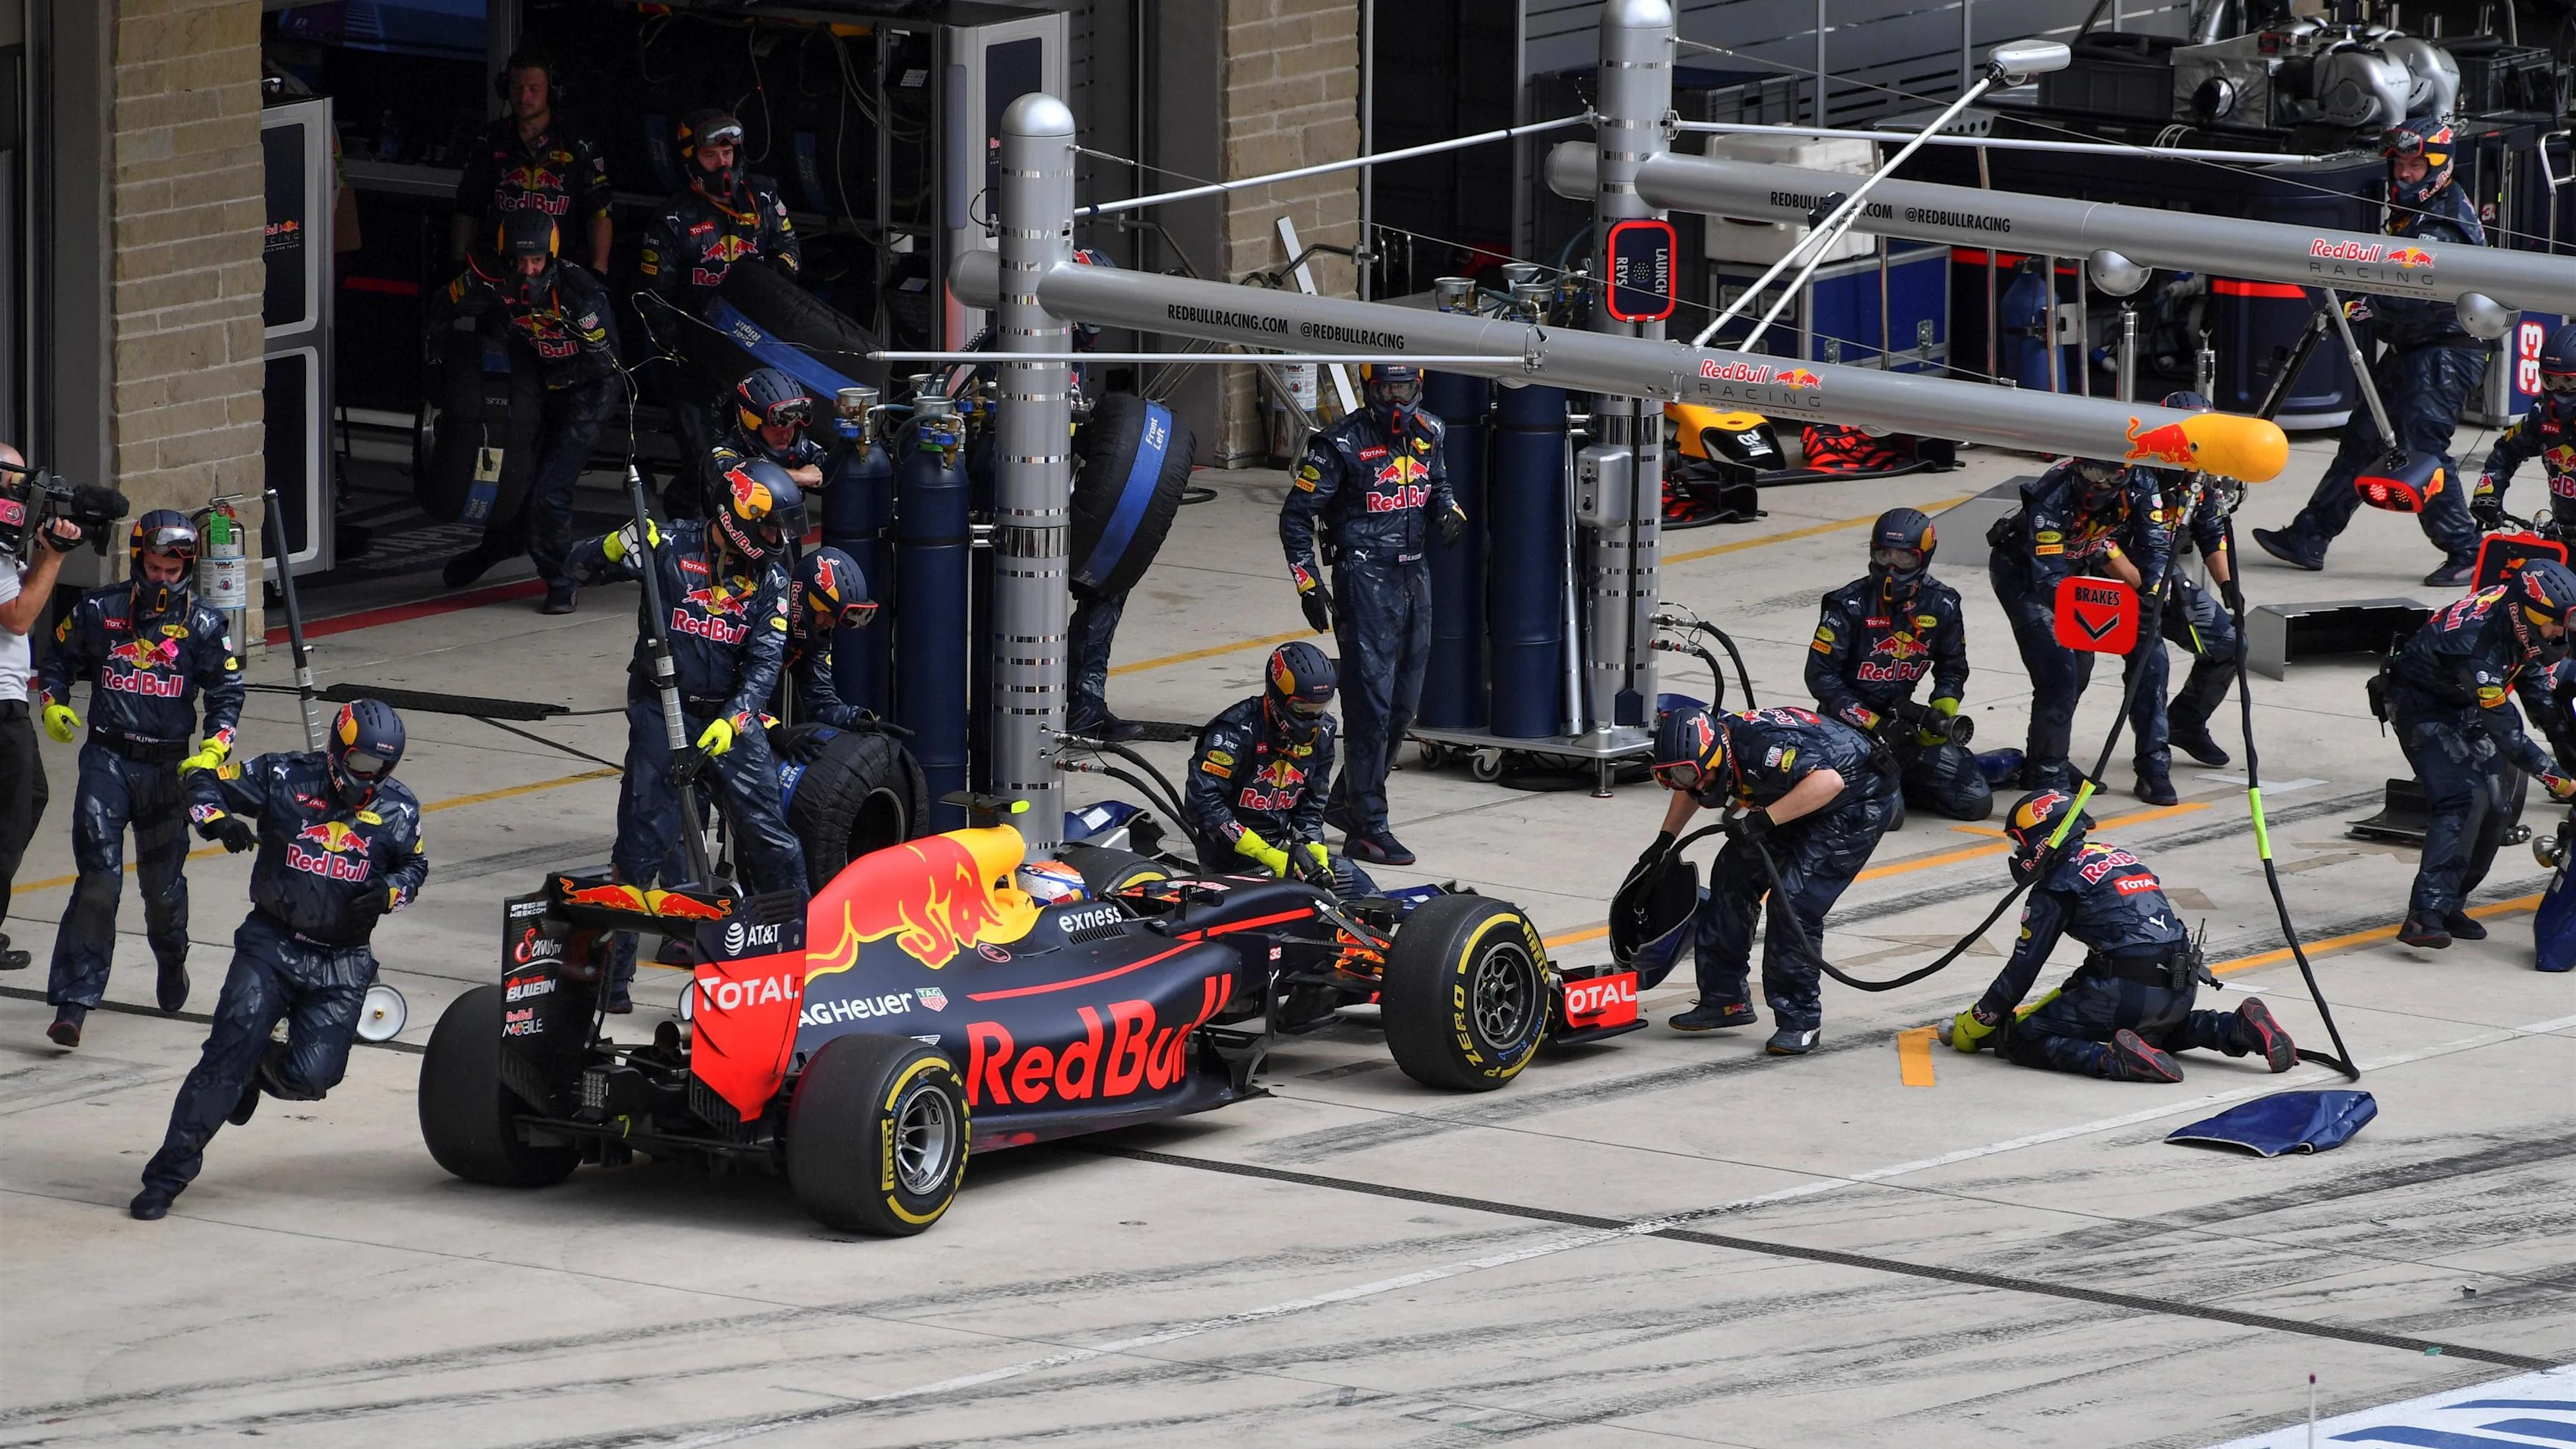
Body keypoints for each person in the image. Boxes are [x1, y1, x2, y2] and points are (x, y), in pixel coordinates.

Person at [132, 699, 427, 1219]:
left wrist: (389, 893)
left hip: (343, 963)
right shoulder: (284, 775)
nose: (369, 778)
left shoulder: (400, 810)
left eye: (381, 769)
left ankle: (254, 1072)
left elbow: (415, 866)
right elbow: (202, 782)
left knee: (315, 1077)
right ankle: (167, 1175)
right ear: (338, 752)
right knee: (227, 1049)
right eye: (360, 765)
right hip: (273, 944)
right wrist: (217, 822)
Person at [569, 458, 807, 1010]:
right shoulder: (666, 547)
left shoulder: (772, 577)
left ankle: (800, 964)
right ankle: (612, 982)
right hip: (660, 713)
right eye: (768, 528)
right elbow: (574, 567)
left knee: (774, 842)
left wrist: (737, 716)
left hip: (727, 721)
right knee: (639, 849)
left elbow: (766, 663)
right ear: (737, 516)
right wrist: (613, 547)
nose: (775, 540)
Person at [38, 511, 244, 1048]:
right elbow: (56, 658)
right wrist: (53, 703)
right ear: (137, 560)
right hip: (106, 760)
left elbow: (227, 693)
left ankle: (172, 957)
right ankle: (74, 1002)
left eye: (173, 571)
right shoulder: (97, 609)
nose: (162, 580)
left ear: (188, 568)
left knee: (163, 892)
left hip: (168, 769)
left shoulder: (205, 626)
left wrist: (217, 746)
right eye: (153, 568)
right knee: (99, 882)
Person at [2253, 120, 2489, 587]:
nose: (2404, 173)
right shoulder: (2411, 210)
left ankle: (2467, 549)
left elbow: (2416, 293)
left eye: (2415, 164)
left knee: (2423, 452)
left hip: (2446, 352)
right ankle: (2310, 535)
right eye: (2399, 164)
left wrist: (2360, 306)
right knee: (2362, 439)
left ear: (2438, 167)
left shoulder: (2442, 224)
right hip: (2413, 346)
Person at [1946, 787, 2298, 1082]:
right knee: (2152, 1031)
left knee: (2025, 1037)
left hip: (2127, 991)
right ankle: (2236, 1028)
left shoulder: (2056, 885)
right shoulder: (2120, 856)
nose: (2018, 855)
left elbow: (2023, 969)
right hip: (2181, 984)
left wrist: (1977, 1024)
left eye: (2019, 845)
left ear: (2042, 840)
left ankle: (2114, 1061)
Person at [1281, 363, 1467, 867]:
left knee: (1404, 705)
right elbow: (1296, 516)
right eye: (1387, 388)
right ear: (1371, 390)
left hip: (1415, 575)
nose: (1396, 398)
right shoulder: (1338, 444)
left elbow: (1439, 483)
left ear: (1418, 388)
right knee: (1371, 708)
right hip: (1363, 579)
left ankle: (1346, 799)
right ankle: (1369, 823)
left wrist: (1449, 511)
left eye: (1404, 388)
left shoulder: (1433, 431)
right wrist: (1308, 583)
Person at [1639, 703, 1894, 1055]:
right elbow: (1693, 787)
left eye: (1689, 774)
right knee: (1732, 870)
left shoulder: (1766, 750)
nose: (1688, 784)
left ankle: (1800, 1020)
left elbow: (1828, 781)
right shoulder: (1712, 750)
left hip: (1853, 801)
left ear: (1717, 755)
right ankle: (1725, 999)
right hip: (1796, 795)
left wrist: (1762, 821)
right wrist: (1665, 839)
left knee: (1794, 901)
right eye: (1675, 777)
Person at [431, 211, 621, 614]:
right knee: (507, 471)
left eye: (536, 261)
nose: (528, 270)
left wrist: (550, 385)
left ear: (550, 258)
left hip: (588, 388)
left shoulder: (582, 294)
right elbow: (440, 309)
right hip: (534, 380)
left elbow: (605, 363)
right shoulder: (486, 278)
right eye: (520, 262)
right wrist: (438, 367)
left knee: (549, 489)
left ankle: (560, 579)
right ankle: (499, 544)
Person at [2381, 560, 2576, 947]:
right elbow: (2510, 736)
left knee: (2501, 806)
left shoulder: (2521, 624)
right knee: (2463, 798)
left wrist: (2564, 739)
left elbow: (2533, 679)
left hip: (2468, 701)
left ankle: (2453, 901)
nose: (2560, 633)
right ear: (2527, 613)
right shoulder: (2475, 643)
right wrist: (2565, 783)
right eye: (2555, 624)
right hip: (2422, 706)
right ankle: (2425, 915)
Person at [1987, 455, 2176, 800]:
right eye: (2092, 473)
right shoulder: (2051, 492)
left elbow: (2157, 547)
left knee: (2095, 666)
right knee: (2059, 672)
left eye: (2110, 476)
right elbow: (2048, 578)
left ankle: (2053, 758)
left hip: (2077, 569)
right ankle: (2049, 783)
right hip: (2027, 579)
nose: (2100, 484)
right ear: (2077, 467)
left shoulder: (2142, 482)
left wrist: (2152, 593)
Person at [638, 109, 801, 495]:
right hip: (698, 362)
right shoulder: (672, 220)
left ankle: (692, 507)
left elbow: (790, 247)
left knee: (758, 465)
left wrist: (775, 277)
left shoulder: (763, 197)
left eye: (727, 154)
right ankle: (690, 516)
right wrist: (685, 348)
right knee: (708, 466)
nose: (722, 163)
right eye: (711, 156)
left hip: (755, 356)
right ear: (692, 159)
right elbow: (651, 300)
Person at [1805, 507, 1985, 822]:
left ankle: (1896, 781)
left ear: (1924, 559)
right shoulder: (1847, 604)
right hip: (1847, 724)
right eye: (1883, 555)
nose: (1891, 567)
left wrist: (1944, 705)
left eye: (1903, 559)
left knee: (1975, 802)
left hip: (1901, 721)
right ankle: (1854, 784)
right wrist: (1873, 723)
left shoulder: (1943, 604)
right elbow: (1821, 678)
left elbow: (1953, 667)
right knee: (1889, 817)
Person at [1182, 642, 1371, 897]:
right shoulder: (1234, 732)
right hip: (1231, 861)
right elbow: (1202, 804)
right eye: (1302, 709)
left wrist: (1313, 846)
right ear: (1277, 698)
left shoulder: (1324, 733)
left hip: (1282, 852)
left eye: (1319, 709)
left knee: (1366, 896)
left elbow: (1312, 805)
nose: (1312, 719)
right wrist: (1263, 853)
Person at [0, 446, 84, 971]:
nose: (18, 496)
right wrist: (52, 556)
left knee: (29, 800)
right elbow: (18, 615)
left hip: (10, 702)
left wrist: (40, 549)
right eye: (11, 486)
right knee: (9, 822)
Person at [2145, 391, 2250, 771]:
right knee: (2149, 664)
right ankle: (2150, 759)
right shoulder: (2140, 470)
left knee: (2229, 643)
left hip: (2166, 574)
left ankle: (2186, 723)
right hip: (2118, 571)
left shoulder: (2201, 475)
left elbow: (2210, 532)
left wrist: (2228, 587)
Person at [449, 47, 612, 273]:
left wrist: (598, 270)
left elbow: (600, 211)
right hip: (498, 268)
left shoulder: (579, 143)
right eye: (517, 87)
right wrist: (458, 263)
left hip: (560, 271)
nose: (524, 97)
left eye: (534, 89)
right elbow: (467, 206)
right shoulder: (488, 141)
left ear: (551, 91)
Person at [2470, 322, 2576, 540]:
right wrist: (2488, 494)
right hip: (2560, 533)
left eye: (2568, 382)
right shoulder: (2541, 415)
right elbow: (2506, 451)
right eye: (2550, 380)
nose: (2558, 390)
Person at [777, 545, 877, 731]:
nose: (830, 624)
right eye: (828, 614)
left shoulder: (814, 636)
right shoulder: (759, 613)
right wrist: (772, 729)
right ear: (803, 600)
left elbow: (821, 702)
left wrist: (859, 720)